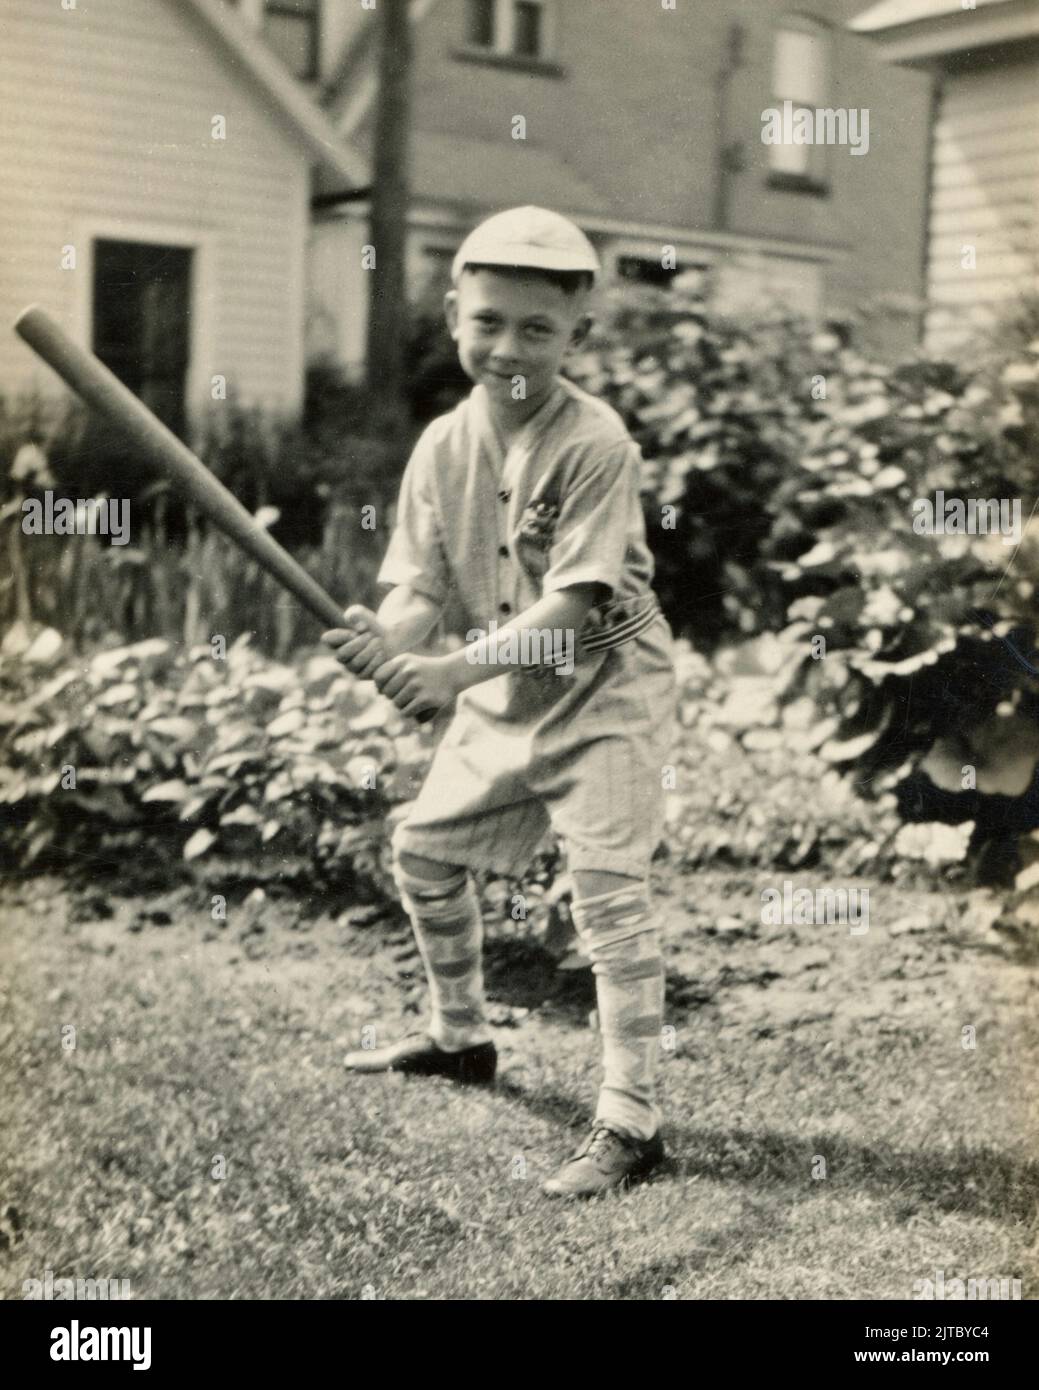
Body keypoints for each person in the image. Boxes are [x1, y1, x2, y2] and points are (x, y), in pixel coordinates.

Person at [322, 206, 677, 1197]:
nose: (506, 347)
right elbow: (422, 586)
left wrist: (445, 672)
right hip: (504, 683)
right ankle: (460, 1036)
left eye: (535, 328)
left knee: (607, 887)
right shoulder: (441, 444)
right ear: (452, 316)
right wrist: (386, 636)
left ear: (579, 338)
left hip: (606, 684)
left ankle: (630, 1121)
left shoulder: (595, 442)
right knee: (424, 854)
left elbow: (570, 606)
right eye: (486, 321)